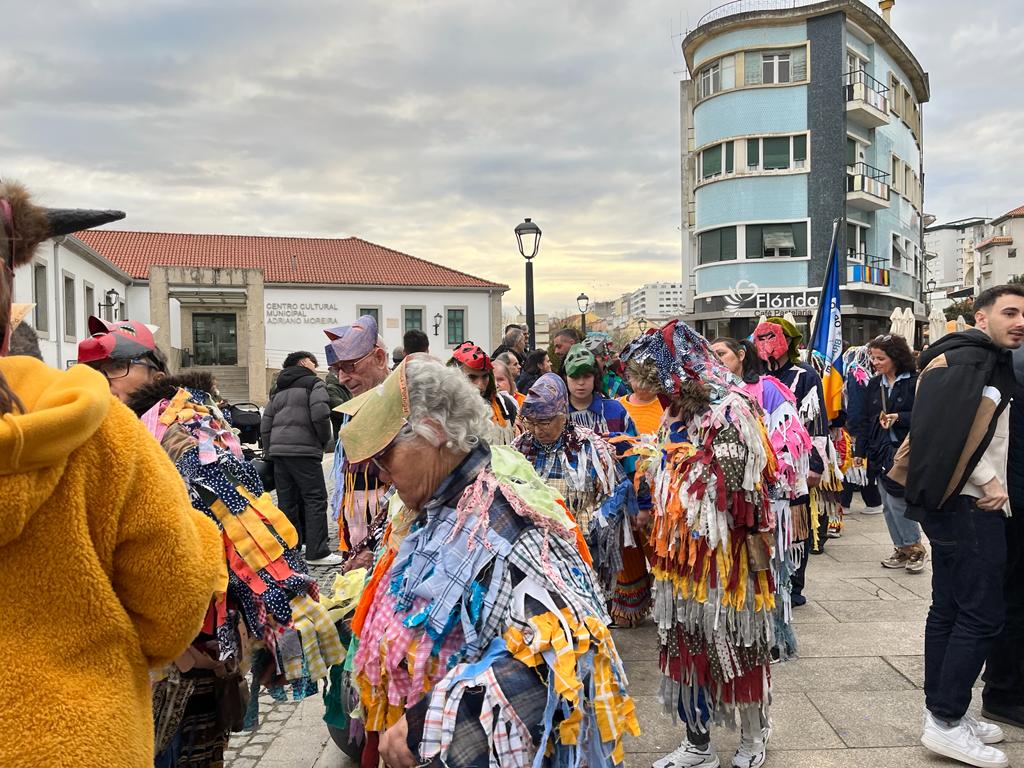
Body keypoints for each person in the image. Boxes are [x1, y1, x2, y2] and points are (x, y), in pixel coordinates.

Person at [0, 179, 223, 766]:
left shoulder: (167, 425)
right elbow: (171, 605)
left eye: (123, 366)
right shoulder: (104, 438)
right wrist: (196, 535)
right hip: (77, 739)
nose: (116, 380)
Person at [339, 357, 639, 768]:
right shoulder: (442, 508)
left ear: (435, 433)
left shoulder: (508, 526)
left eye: (385, 457)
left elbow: (566, 658)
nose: (382, 475)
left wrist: (430, 721)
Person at [623, 321, 776, 768]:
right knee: (684, 643)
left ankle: (753, 735)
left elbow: (734, 487)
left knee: (737, 643)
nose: (642, 387)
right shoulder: (676, 413)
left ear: (676, 370)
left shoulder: (731, 408)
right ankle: (698, 744)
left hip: (726, 557)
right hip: (680, 559)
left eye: (650, 377)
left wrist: (668, 468)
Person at [890, 285, 1024, 768]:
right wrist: (989, 482)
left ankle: (944, 712)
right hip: (969, 505)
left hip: (954, 505)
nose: (1019, 322)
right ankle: (945, 721)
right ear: (980, 315)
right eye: (1009, 312)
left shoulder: (974, 356)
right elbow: (942, 431)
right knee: (982, 615)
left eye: (1023, 314)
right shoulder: (972, 361)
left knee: (947, 608)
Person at [712, 336, 814, 663]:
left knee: (770, 570)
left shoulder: (768, 390)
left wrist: (767, 472)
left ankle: (774, 638)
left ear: (741, 355)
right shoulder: (714, 397)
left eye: (721, 354)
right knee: (736, 571)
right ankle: (744, 637)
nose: (717, 360)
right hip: (730, 501)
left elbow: (791, 441)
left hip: (770, 499)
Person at [512, 373, 642, 625]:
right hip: (534, 554)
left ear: (563, 414)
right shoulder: (520, 448)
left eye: (545, 422)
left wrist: (597, 523)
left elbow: (617, 488)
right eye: (532, 422)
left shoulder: (589, 446)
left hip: (581, 549)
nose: (538, 430)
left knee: (582, 623)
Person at [753, 318, 827, 604]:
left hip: (795, 462)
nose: (766, 344)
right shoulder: (754, 377)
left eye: (772, 337)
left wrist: (816, 464)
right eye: (761, 338)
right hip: (761, 463)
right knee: (762, 520)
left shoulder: (805, 375)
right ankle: (764, 578)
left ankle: (793, 584)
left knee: (795, 521)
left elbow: (817, 420)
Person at [854, 334, 926, 573]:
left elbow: (926, 415)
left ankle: (915, 548)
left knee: (897, 500)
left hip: (905, 450)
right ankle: (902, 548)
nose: (875, 362)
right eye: (873, 358)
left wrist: (900, 417)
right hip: (879, 449)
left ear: (896, 357)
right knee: (886, 502)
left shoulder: (915, 382)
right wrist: (859, 451)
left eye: (880, 358)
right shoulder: (875, 384)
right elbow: (865, 420)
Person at [261, 351, 340, 566]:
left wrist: (270, 450)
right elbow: (321, 414)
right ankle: (317, 552)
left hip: (279, 452)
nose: (316, 367)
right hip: (304, 450)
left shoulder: (279, 388)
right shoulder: (314, 384)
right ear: (304, 363)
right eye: (314, 363)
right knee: (315, 499)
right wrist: (323, 441)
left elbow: (266, 422)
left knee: (287, 502)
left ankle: (291, 550)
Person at [325, 315, 391, 567]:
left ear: (379, 358)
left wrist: (372, 544)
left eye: (351, 366)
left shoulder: (401, 405)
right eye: (337, 369)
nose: (342, 378)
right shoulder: (358, 404)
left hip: (383, 537)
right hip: (356, 529)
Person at [982, 344, 1024, 729]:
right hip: (1013, 500)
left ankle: (1003, 685)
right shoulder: (1013, 361)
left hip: (1010, 498)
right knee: (1014, 600)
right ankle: (1003, 692)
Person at [841, 345, 883, 515]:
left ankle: (844, 503)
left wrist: (854, 429)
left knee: (851, 465)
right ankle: (873, 501)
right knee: (860, 466)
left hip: (856, 427)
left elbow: (855, 405)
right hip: (868, 425)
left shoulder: (855, 375)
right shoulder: (867, 375)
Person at [449, 340, 518, 445]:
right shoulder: (446, 409)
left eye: (485, 376)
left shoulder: (505, 406)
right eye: (472, 377)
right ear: (455, 377)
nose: (480, 385)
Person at [563, 343, 634, 435]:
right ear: (565, 377)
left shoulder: (615, 410)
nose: (581, 382)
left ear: (595, 377)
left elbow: (635, 445)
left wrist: (620, 441)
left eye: (587, 376)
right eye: (574, 377)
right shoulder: (557, 415)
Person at [325, 367, 352, 443]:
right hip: (343, 435)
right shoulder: (331, 388)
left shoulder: (345, 388)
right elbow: (339, 410)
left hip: (350, 433)